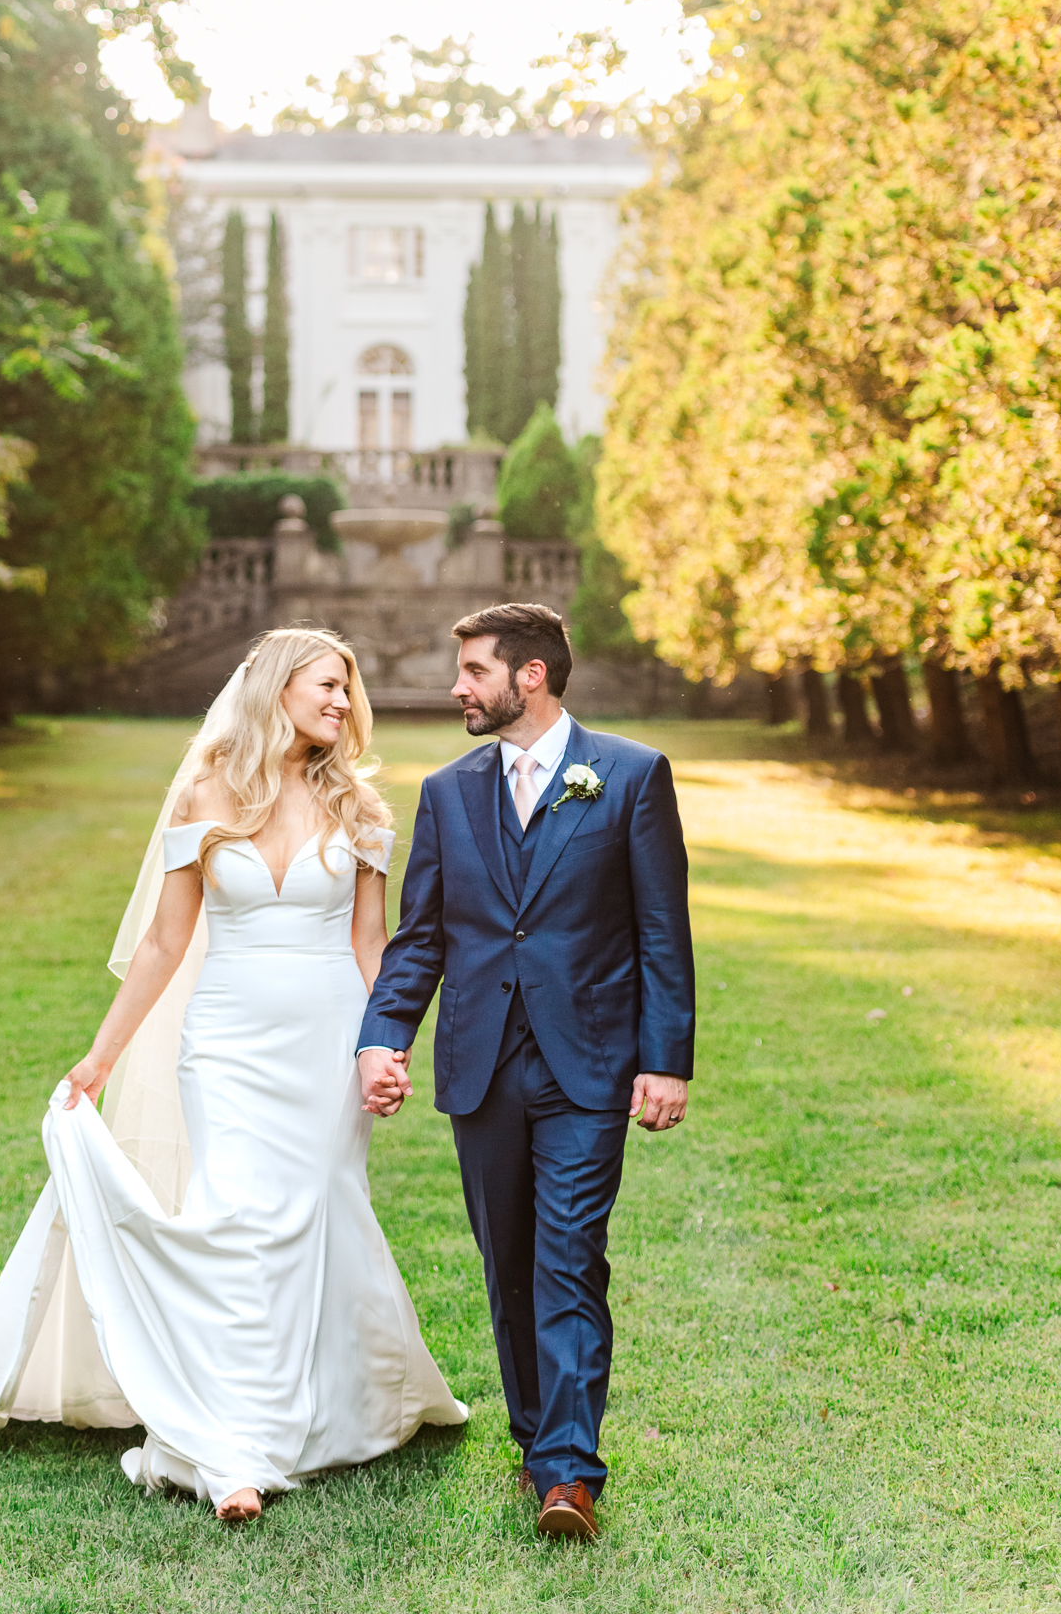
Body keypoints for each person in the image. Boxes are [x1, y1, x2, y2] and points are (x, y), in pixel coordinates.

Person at [0, 627, 466, 1521]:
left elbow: (370, 946)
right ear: (274, 689)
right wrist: (100, 1057)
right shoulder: (205, 793)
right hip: (224, 1041)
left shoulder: (363, 811)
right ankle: (229, 1448)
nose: (343, 701)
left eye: (348, 688)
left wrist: (388, 1045)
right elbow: (163, 941)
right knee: (237, 1218)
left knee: (318, 1213)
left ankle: (340, 1405)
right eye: (326, 685)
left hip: (327, 1039)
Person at [357, 602, 694, 1544]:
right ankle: (538, 1440)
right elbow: (421, 939)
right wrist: (382, 1035)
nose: (457, 686)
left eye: (473, 670)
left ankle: (569, 1474)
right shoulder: (449, 793)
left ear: (530, 676)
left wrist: (665, 1061)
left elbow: (663, 933)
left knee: (569, 1261)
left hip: (591, 1067)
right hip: (482, 1067)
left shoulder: (628, 776)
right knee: (509, 1268)